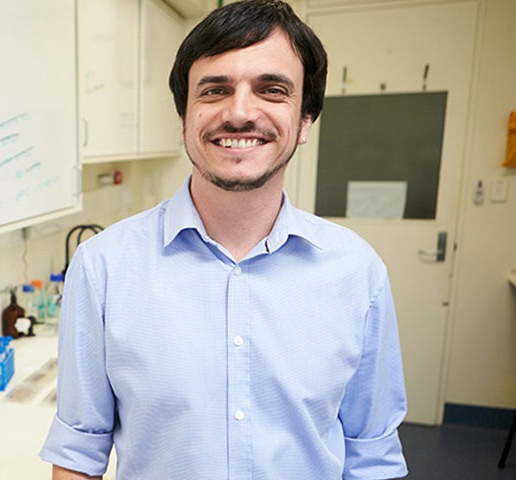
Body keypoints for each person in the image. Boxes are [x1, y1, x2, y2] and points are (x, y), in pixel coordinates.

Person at [39, 1, 409, 479]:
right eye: (215, 90)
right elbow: (77, 453)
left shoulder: (357, 273)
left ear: (305, 121)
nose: (239, 113)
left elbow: (372, 457)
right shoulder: (103, 267)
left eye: (271, 90)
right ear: (184, 118)